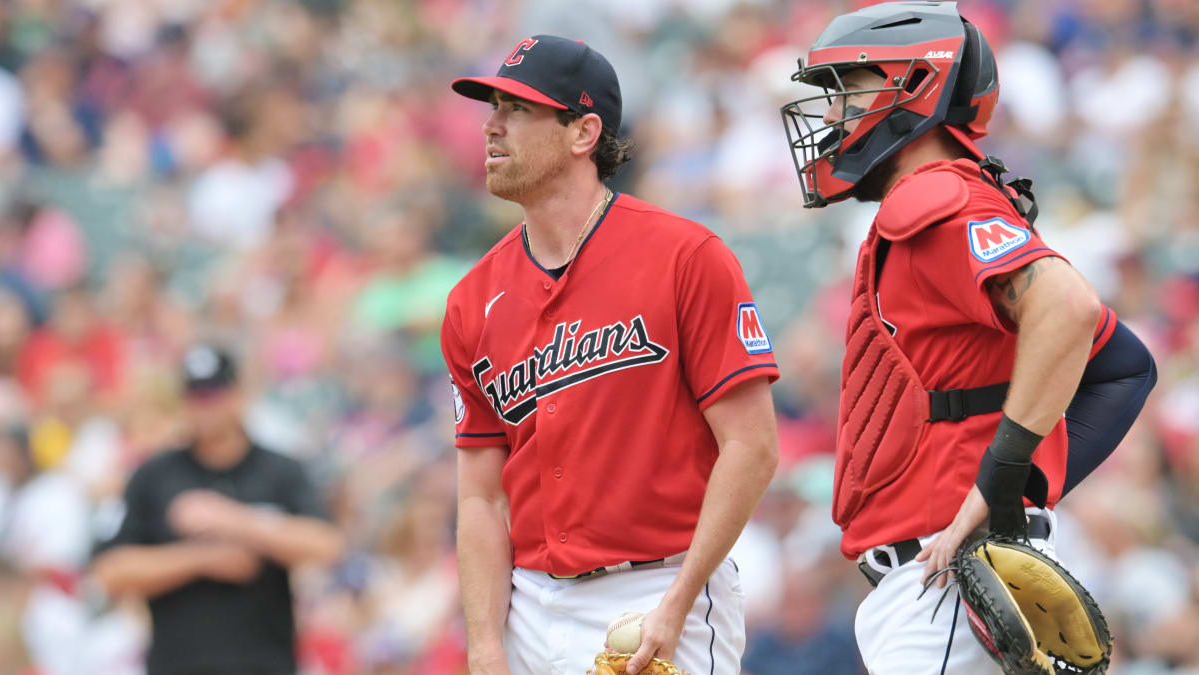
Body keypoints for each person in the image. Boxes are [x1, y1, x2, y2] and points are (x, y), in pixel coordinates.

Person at [779, 3, 1157, 673]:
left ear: (918, 83)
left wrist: (1004, 479)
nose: (834, 115)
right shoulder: (947, 199)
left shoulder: (932, 196)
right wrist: (1017, 491)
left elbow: (1068, 308)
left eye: (851, 88)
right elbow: (1122, 368)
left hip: (948, 581)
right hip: (954, 575)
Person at [442, 35, 781, 675]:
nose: (491, 126)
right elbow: (481, 499)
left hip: (657, 588)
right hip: (529, 605)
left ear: (583, 132)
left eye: (517, 109)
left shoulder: (685, 257)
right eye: (492, 106)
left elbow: (753, 446)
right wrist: (485, 643)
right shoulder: (471, 300)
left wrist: (681, 600)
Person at [91, 343, 344, 675]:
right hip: (179, 664)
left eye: (215, 394)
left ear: (239, 395)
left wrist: (236, 521)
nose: (206, 407)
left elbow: (326, 546)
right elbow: (111, 572)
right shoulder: (155, 476)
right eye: (196, 396)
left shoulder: (279, 470)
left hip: (265, 663)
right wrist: (202, 559)